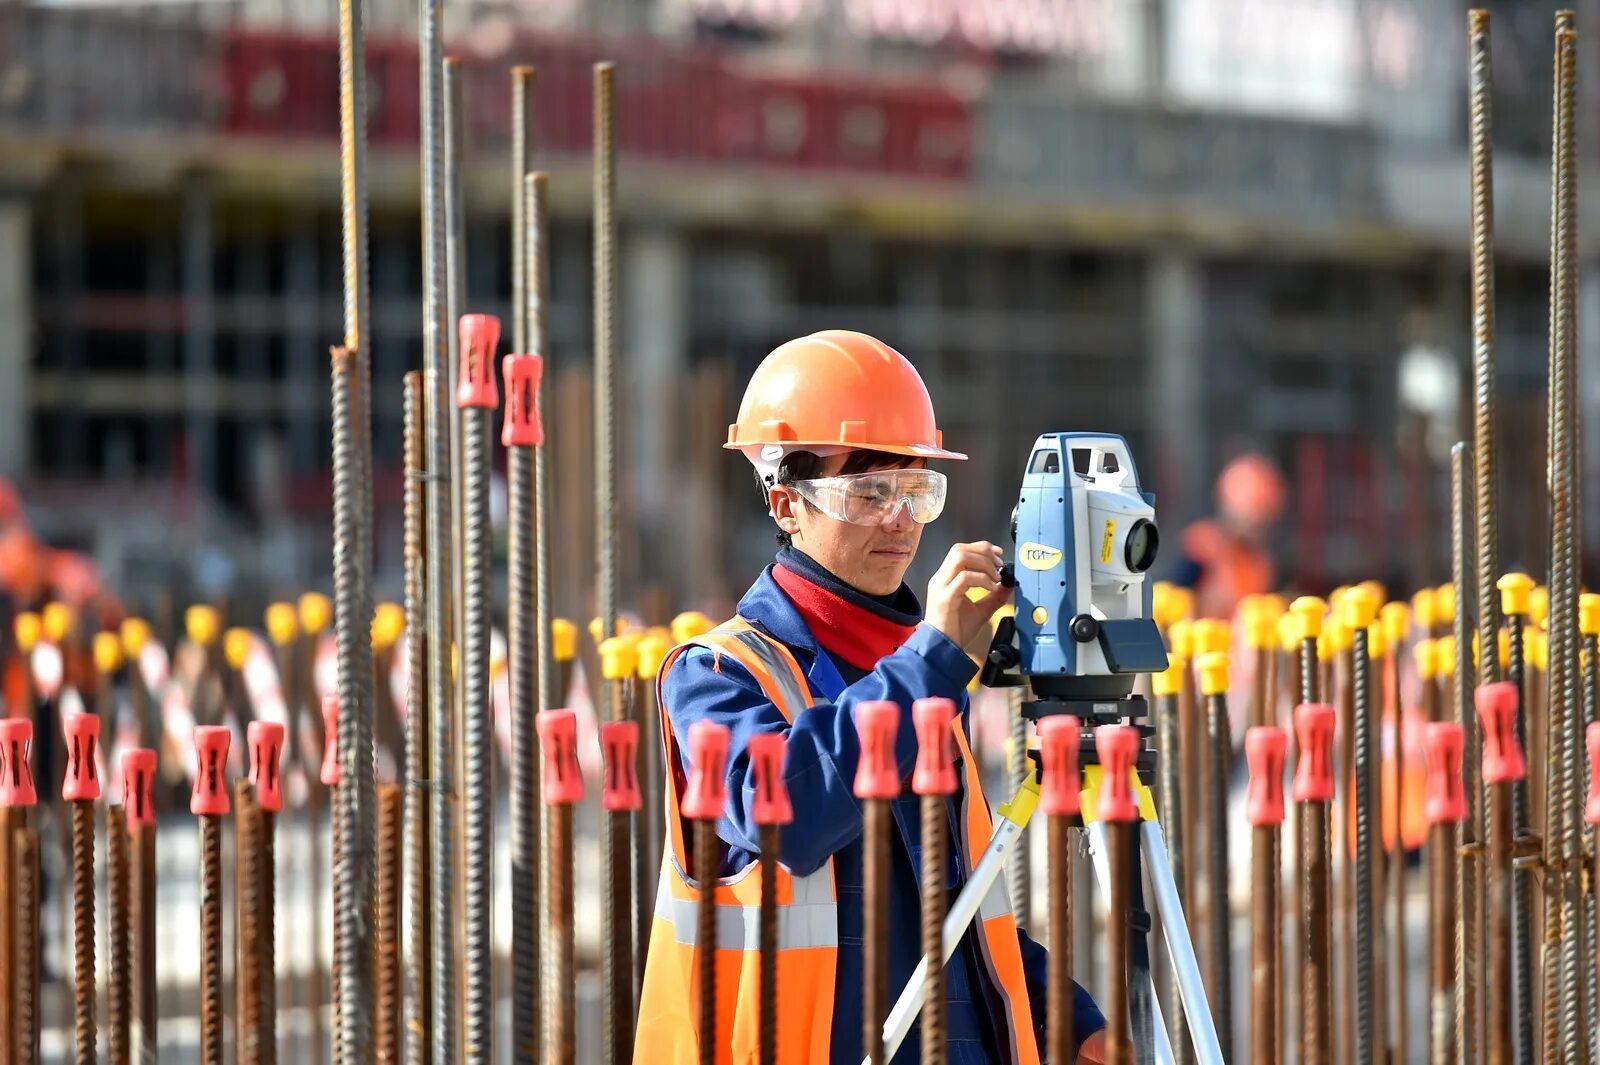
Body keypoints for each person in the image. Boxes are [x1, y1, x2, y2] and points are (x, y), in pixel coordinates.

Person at [635, 330, 1107, 1064]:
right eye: (870, 492)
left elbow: (957, 918)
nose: (902, 519)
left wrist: (1071, 1021)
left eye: (918, 490)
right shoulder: (716, 675)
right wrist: (934, 662)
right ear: (786, 504)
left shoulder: (924, 676)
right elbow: (788, 816)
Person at [1171, 452, 1286, 620]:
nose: (1259, 526)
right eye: (1255, 515)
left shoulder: (1260, 561)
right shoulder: (1203, 546)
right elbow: (1174, 598)